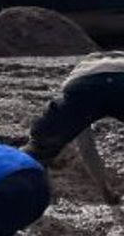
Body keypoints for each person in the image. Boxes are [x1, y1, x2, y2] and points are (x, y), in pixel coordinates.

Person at [22, 51, 124, 205]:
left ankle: (16, 193)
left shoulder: (85, 68)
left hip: (81, 87)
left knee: (38, 150)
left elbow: (87, 150)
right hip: (117, 80)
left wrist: (106, 192)